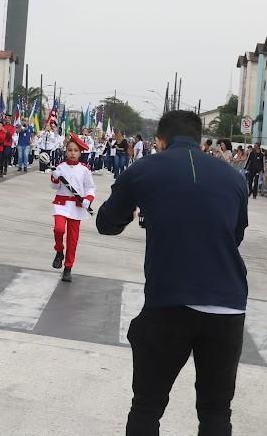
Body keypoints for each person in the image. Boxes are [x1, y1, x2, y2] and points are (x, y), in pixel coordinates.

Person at [96, 110, 249, 435]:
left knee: (147, 407)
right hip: (228, 305)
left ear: (160, 141)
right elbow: (235, 236)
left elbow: (106, 224)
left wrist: (141, 208)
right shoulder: (234, 177)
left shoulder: (144, 169)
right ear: (200, 140)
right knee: (216, 412)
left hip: (169, 302)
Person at [49, 134, 96, 283]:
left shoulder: (85, 170)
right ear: (66, 151)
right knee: (59, 229)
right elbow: (55, 186)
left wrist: (88, 199)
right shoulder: (60, 167)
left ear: (80, 153)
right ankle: (59, 251)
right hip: (61, 204)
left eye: (76, 150)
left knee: (72, 239)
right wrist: (55, 177)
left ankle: (68, 267)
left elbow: (90, 188)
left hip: (77, 207)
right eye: (70, 150)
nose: (72, 153)